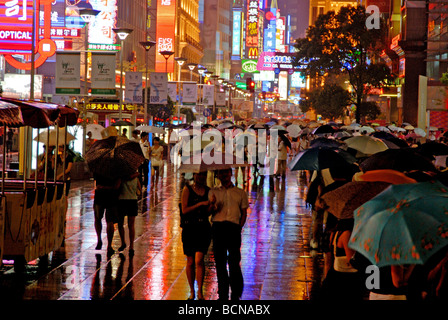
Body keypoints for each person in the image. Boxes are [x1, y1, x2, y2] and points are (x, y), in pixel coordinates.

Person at [209, 168, 249, 300]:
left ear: (231, 174)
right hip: (218, 228)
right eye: (221, 172)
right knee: (220, 263)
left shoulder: (240, 192)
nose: (224, 175)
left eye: (226, 172)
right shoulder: (213, 192)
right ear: (218, 174)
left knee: (234, 262)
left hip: (233, 229)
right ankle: (223, 291)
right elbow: (208, 212)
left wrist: (239, 227)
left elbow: (244, 213)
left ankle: (236, 291)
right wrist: (212, 205)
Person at [180, 171, 212, 300]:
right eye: (198, 174)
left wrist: (211, 206)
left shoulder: (209, 191)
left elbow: (208, 213)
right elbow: (184, 210)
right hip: (189, 228)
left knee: (199, 259)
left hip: (203, 228)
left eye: (203, 174)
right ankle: (192, 291)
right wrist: (200, 204)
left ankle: (200, 292)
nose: (201, 177)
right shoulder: (187, 189)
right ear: (194, 175)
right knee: (190, 261)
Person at [318, 218, 366, 300]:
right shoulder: (347, 234)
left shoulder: (335, 233)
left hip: (335, 274)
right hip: (345, 278)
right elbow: (351, 258)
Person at [93, 173, 121, 256]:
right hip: (111, 197)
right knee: (110, 221)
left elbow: (96, 184)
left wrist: (102, 187)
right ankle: (109, 245)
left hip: (99, 196)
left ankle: (99, 240)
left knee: (97, 218)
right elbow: (117, 186)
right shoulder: (116, 168)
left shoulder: (99, 167)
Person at [117, 171, 141, 256]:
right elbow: (139, 190)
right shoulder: (136, 177)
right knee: (131, 225)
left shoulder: (121, 176)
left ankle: (123, 242)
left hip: (122, 200)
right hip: (132, 201)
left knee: (120, 224)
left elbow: (117, 187)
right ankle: (131, 246)